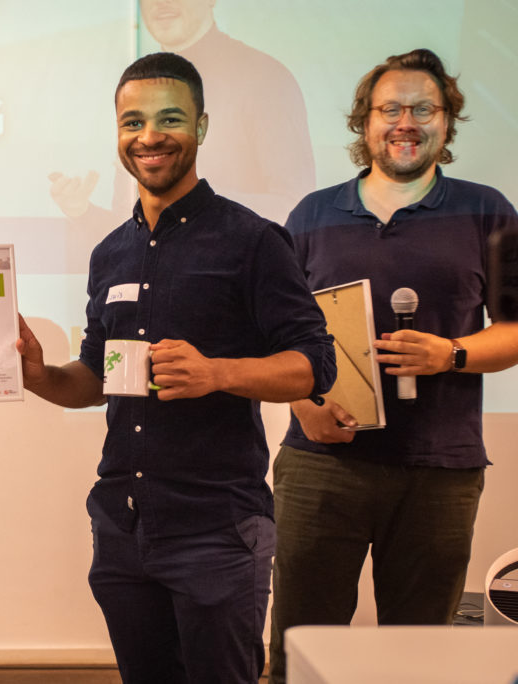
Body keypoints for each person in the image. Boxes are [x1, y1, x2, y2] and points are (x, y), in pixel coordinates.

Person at [18, 52, 335, 683]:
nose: (150, 136)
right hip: (123, 526)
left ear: (202, 127)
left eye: (169, 119)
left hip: (217, 529)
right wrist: (38, 376)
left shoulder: (253, 240)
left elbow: (314, 366)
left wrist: (218, 374)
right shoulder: (110, 252)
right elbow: (95, 378)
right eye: (132, 122)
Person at [267, 48, 518, 684]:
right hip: (322, 464)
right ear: (366, 121)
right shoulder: (311, 214)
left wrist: (452, 354)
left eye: (423, 109)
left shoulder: (489, 210)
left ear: (447, 120)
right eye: (390, 110)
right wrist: (303, 402)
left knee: (419, 661)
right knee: (300, 650)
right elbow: (272, 333)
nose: (406, 122)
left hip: (439, 470)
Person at [49, 0, 315, 272]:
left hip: (233, 282)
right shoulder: (136, 88)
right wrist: (83, 212)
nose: (161, 3)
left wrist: (192, 203)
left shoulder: (265, 77)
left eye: (171, 119)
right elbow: (137, 236)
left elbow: (295, 207)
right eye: (135, 123)